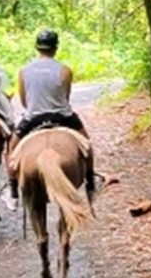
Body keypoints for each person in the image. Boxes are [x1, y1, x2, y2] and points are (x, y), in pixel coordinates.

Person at [7, 29, 94, 202]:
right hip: (62, 116)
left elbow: (24, 102)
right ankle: (90, 181)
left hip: (33, 118)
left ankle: (13, 189)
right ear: (55, 48)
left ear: (37, 48)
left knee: (11, 150)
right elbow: (65, 98)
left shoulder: (24, 71)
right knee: (87, 145)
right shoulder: (65, 70)